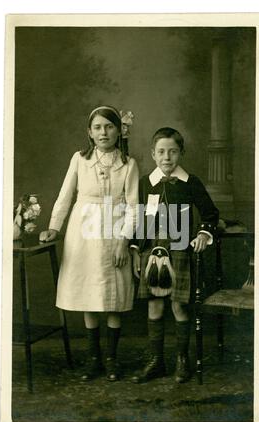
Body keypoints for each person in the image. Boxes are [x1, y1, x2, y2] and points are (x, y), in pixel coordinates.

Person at [39, 105, 139, 382]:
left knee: (114, 297)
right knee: (89, 294)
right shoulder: (80, 160)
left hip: (115, 230)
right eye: (97, 127)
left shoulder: (128, 164)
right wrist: (53, 227)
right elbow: (64, 195)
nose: (103, 132)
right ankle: (93, 359)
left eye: (108, 126)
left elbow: (133, 207)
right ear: (89, 132)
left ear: (119, 131)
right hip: (83, 233)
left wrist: (123, 241)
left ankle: (111, 359)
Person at [130, 127, 219, 384]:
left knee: (179, 304)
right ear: (153, 154)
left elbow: (211, 214)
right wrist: (136, 250)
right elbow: (138, 220)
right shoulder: (146, 183)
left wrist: (203, 233)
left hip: (180, 249)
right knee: (154, 305)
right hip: (152, 250)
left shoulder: (191, 183)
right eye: (161, 152)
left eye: (172, 151)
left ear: (181, 153)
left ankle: (182, 359)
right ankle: (156, 361)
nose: (167, 157)